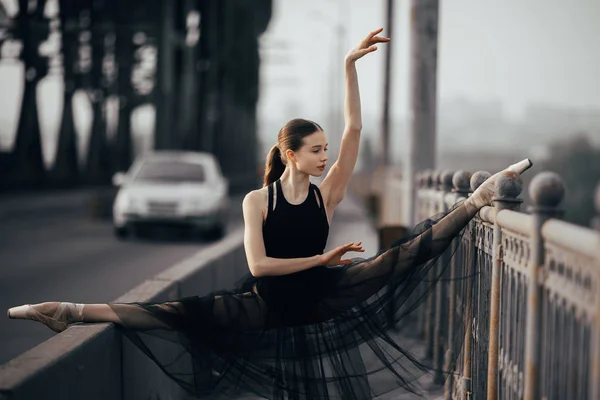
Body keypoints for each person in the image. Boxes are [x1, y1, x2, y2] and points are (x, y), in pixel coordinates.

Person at [7, 28, 531, 399]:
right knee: (171, 314)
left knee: (407, 254)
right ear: (290, 153)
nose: (326, 156)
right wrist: (325, 256)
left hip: (327, 295)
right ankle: (68, 311)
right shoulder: (257, 201)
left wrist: (349, 65)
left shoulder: (328, 195)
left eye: (326, 149)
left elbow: (354, 131)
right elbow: (258, 268)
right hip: (269, 304)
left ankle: (478, 197)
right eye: (317, 149)